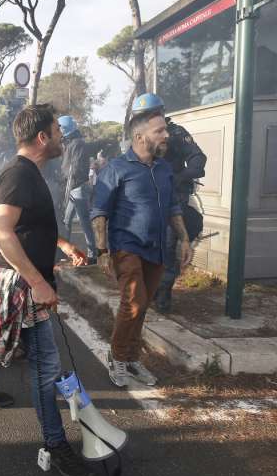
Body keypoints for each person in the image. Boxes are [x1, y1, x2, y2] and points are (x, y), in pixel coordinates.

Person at [0, 104, 94, 476]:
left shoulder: (33, 174)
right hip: (21, 284)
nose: (60, 136)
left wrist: (64, 244)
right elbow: (2, 233)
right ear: (42, 137)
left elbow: (30, 226)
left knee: (0, 341)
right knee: (45, 368)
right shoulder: (18, 175)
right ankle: (55, 446)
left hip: (28, 279)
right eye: (56, 130)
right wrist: (38, 283)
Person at [91, 95, 193, 388]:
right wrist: (102, 251)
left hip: (158, 247)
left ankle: (132, 359)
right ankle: (118, 357)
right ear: (140, 136)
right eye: (160, 130)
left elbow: (173, 207)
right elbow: (99, 212)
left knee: (143, 305)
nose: (166, 135)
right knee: (133, 301)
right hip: (127, 245)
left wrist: (184, 239)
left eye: (165, 130)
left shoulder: (163, 169)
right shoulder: (116, 168)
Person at [130, 95, 207, 313]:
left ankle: (161, 301)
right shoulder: (138, 139)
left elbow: (198, 159)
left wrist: (178, 177)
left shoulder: (175, 134)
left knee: (167, 250)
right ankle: (151, 292)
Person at [58, 116, 97, 262]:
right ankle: (65, 252)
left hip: (78, 187)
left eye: (60, 128)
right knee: (66, 220)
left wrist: (68, 180)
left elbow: (75, 168)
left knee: (84, 221)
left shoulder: (78, 143)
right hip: (72, 186)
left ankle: (93, 254)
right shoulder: (68, 143)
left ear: (65, 128)